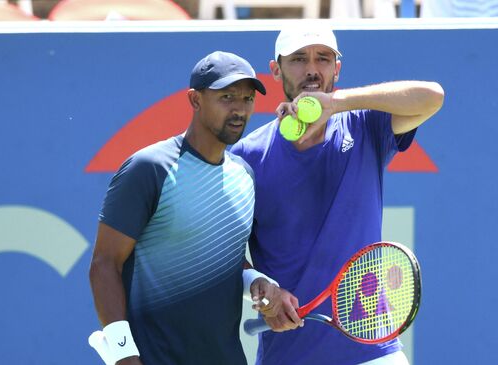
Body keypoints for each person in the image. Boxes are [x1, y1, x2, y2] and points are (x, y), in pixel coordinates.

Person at [230, 27, 444, 365]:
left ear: (337, 69)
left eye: (323, 58)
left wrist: (336, 103)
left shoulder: (365, 125)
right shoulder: (246, 158)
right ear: (275, 70)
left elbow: (433, 96)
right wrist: (261, 290)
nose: (312, 69)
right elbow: (222, 256)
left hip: (375, 354)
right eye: (299, 59)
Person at [88, 51, 281, 365]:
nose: (239, 109)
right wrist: (124, 354)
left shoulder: (244, 175)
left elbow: (227, 260)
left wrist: (255, 282)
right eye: (227, 97)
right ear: (195, 100)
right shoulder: (150, 168)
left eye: (247, 99)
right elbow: (105, 263)